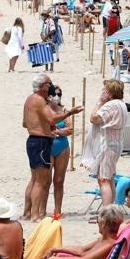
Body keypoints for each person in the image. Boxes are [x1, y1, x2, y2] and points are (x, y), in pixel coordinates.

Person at [22, 74, 84, 222]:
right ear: (43, 86)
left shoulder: (30, 99)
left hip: (34, 140)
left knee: (36, 179)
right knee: (41, 181)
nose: (51, 86)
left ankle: (27, 213)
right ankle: (36, 215)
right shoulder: (39, 100)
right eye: (49, 84)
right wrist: (70, 112)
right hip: (41, 141)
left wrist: (40, 125)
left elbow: (25, 123)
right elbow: (50, 119)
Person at [81, 79, 128, 206]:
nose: (102, 92)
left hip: (107, 146)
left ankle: (107, 211)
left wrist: (100, 102)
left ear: (110, 92)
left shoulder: (111, 105)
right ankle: (111, 208)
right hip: (115, 144)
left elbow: (94, 118)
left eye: (105, 90)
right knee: (110, 177)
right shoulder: (121, 104)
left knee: (103, 180)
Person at [48, 86, 72, 215]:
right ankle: (42, 209)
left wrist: (58, 131)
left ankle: (57, 210)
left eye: (59, 94)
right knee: (46, 180)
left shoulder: (64, 110)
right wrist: (60, 131)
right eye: (55, 94)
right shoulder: (44, 110)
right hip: (48, 146)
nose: (57, 96)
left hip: (62, 146)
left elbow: (70, 129)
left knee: (59, 179)